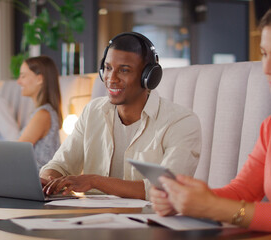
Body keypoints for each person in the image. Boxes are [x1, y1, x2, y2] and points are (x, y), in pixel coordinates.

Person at [149, 9, 271, 232]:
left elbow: (226, 207)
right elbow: (242, 192)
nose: (266, 68)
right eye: (264, 54)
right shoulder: (269, 128)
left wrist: (213, 207)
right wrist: (187, 200)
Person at [41, 32, 202, 200]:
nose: (111, 78)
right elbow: (61, 165)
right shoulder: (93, 111)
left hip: (146, 221)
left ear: (148, 77)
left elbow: (167, 189)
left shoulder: (181, 122)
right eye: (108, 68)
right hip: (92, 219)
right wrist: (49, 180)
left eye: (124, 70)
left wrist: (95, 181)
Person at [16, 56, 62, 169]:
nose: (19, 81)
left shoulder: (43, 114)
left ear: (39, 79)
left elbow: (15, 153)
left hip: (39, 183)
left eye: (23, 76)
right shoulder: (42, 112)